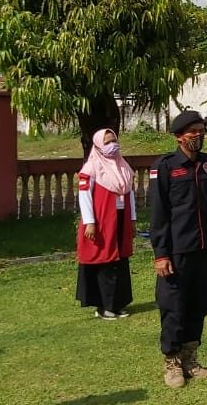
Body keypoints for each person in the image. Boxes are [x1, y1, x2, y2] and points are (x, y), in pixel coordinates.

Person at [149, 110, 207, 389]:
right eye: (192, 132)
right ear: (179, 136)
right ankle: (172, 362)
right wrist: (161, 253)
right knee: (174, 307)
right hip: (177, 250)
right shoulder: (166, 167)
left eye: (201, 130)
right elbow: (159, 214)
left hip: (204, 249)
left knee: (199, 304)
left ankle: (190, 359)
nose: (198, 135)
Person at [75, 128, 135, 320]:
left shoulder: (123, 166)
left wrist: (132, 219)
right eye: (107, 142)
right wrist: (90, 222)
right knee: (105, 261)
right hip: (101, 220)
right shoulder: (91, 168)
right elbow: (84, 196)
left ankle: (117, 303)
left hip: (120, 217)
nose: (112, 145)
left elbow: (130, 195)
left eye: (114, 141)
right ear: (99, 145)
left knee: (120, 260)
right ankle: (104, 306)